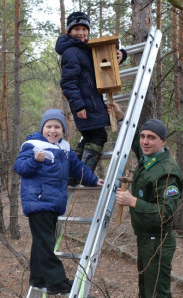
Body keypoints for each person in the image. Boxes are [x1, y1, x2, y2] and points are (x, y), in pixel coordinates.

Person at [13, 109, 104, 295]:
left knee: (43, 242)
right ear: (42, 128)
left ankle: (39, 278)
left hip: (54, 204)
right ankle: (56, 281)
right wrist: (35, 160)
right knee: (46, 243)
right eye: (49, 126)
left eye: (57, 127)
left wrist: (94, 180)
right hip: (38, 202)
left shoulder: (65, 148)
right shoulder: (32, 145)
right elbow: (20, 167)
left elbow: (78, 168)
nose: (52, 131)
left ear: (63, 130)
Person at [113, 108, 183, 298]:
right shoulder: (149, 159)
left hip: (158, 242)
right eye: (144, 136)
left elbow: (166, 214)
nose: (145, 141)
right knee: (145, 290)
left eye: (151, 138)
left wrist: (133, 201)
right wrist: (122, 118)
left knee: (157, 296)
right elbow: (137, 142)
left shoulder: (167, 172)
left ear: (162, 141)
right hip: (145, 238)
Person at [55, 11, 127, 177]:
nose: (81, 33)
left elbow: (103, 60)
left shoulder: (85, 49)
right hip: (85, 105)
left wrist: (121, 55)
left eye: (84, 28)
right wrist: (78, 105)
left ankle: (71, 175)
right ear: (69, 31)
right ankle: (82, 175)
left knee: (89, 137)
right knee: (98, 136)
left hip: (91, 103)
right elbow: (68, 82)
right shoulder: (71, 52)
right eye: (76, 29)